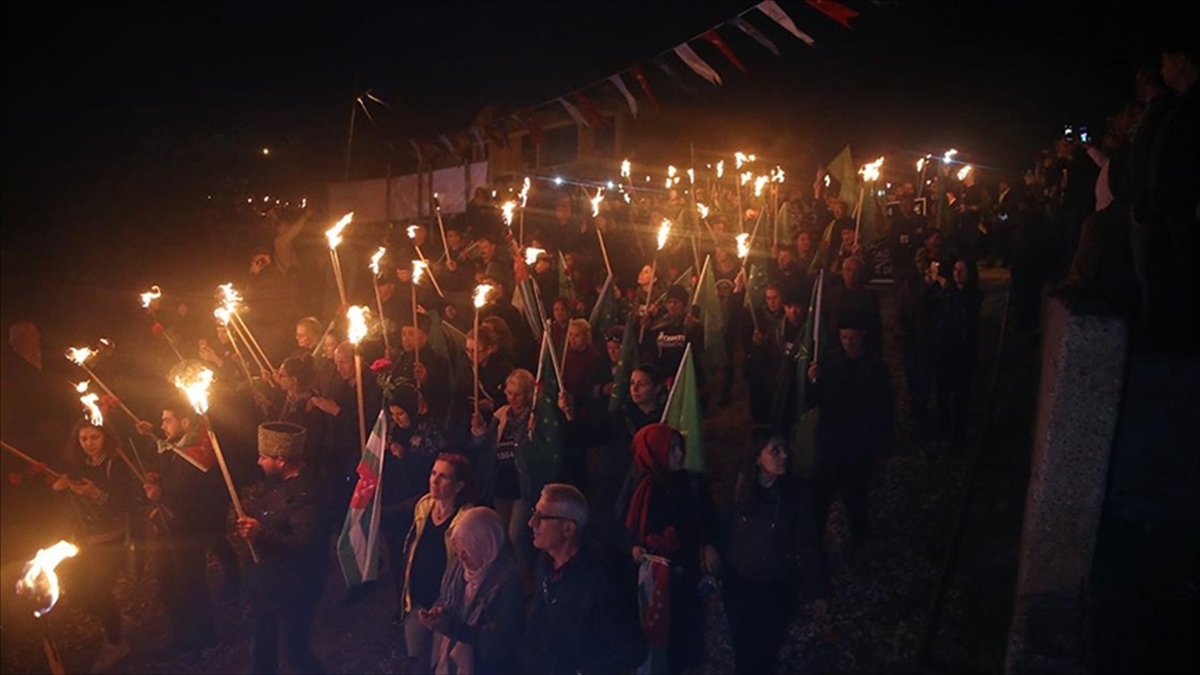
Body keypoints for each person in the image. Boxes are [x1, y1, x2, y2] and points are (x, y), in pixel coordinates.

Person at [619, 424, 720, 674]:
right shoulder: (640, 488)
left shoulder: (693, 483)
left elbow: (710, 520)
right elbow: (624, 527)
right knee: (655, 637)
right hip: (652, 579)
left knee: (684, 636)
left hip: (686, 574)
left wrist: (710, 545)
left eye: (679, 447)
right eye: (670, 448)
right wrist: (633, 548)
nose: (678, 454)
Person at [722, 435, 827, 674]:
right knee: (744, 649)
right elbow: (724, 528)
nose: (784, 456)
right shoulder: (738, 488)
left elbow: (807, 542)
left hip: (777, 585)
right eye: (775, 451)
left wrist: (815, 590)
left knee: (769, 648)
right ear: (758, 457)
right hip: (741, 585)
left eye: (785, 449)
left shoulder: (795, 493)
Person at [519, 483, 646, 674]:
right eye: (533, 513)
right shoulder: (546, 565)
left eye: (542, 517)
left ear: (568, 528)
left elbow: (631, 649)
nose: (531, 523)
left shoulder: (599, 579)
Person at [236, 422, 329, 675]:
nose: (258, 462)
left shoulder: (306, 495)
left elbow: (303, 544)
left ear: (281, 460)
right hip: (265, 585)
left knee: (297, 653)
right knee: (262, 649)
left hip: (293, 590)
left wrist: (260, 535)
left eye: (263, 457)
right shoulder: (273, 483)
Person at [135, 400, 225, 656]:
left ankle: (199, 638)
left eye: (167, 420)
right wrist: (152, 432)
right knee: (169, 585)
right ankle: (188, 634)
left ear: (185, 423)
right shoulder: (181, 445)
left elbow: (190, 492)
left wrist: (160, 493)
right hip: (170, 527)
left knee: (188, 585)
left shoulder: (198, 452)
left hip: (187, 531)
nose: (162, 425)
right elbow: (167, 453)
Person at [54, 421, 140, 673]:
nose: (89, 443)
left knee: (99, 590)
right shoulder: (82, 466)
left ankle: (116, 643)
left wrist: (97, 495)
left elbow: (126, 505)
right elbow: (74, 502)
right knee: (76, 590)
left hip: (111, 539)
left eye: (94, 438)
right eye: (83, 439)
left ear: (105, 438)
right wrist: (61, 489)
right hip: (86, 539)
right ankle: (116, 620)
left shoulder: (115, 464)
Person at [806, 312, 895, 547]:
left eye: (852, 338)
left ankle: (859, 537)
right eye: (844, 337)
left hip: (857, 447)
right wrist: (813, 381)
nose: (848, 343)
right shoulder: (830, 361)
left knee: (855, 496)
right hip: (829, 442)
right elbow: (817, 400)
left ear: (863, 336)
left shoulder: (875, 368)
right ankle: (815, 541)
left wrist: (883, 443)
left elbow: (885, 407)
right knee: (820, 497)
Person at [418, 506, 524, 674]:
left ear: (483, 545)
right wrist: (440, 610)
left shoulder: (508, 582)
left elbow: (501, 639)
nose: (461, 557)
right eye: (458, 551)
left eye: (466, 551)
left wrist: (452, 628)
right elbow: (445, 597)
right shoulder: (459, 566)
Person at [398, 453, 473, 667]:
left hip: (444, 605)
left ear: (458, 486)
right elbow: (388, 516)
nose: (434, 480)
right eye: (433, 473)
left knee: (439, 664)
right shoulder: (423, 505)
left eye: (443, 477)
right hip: (416, 600)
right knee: (415, 659)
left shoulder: (466, 518)